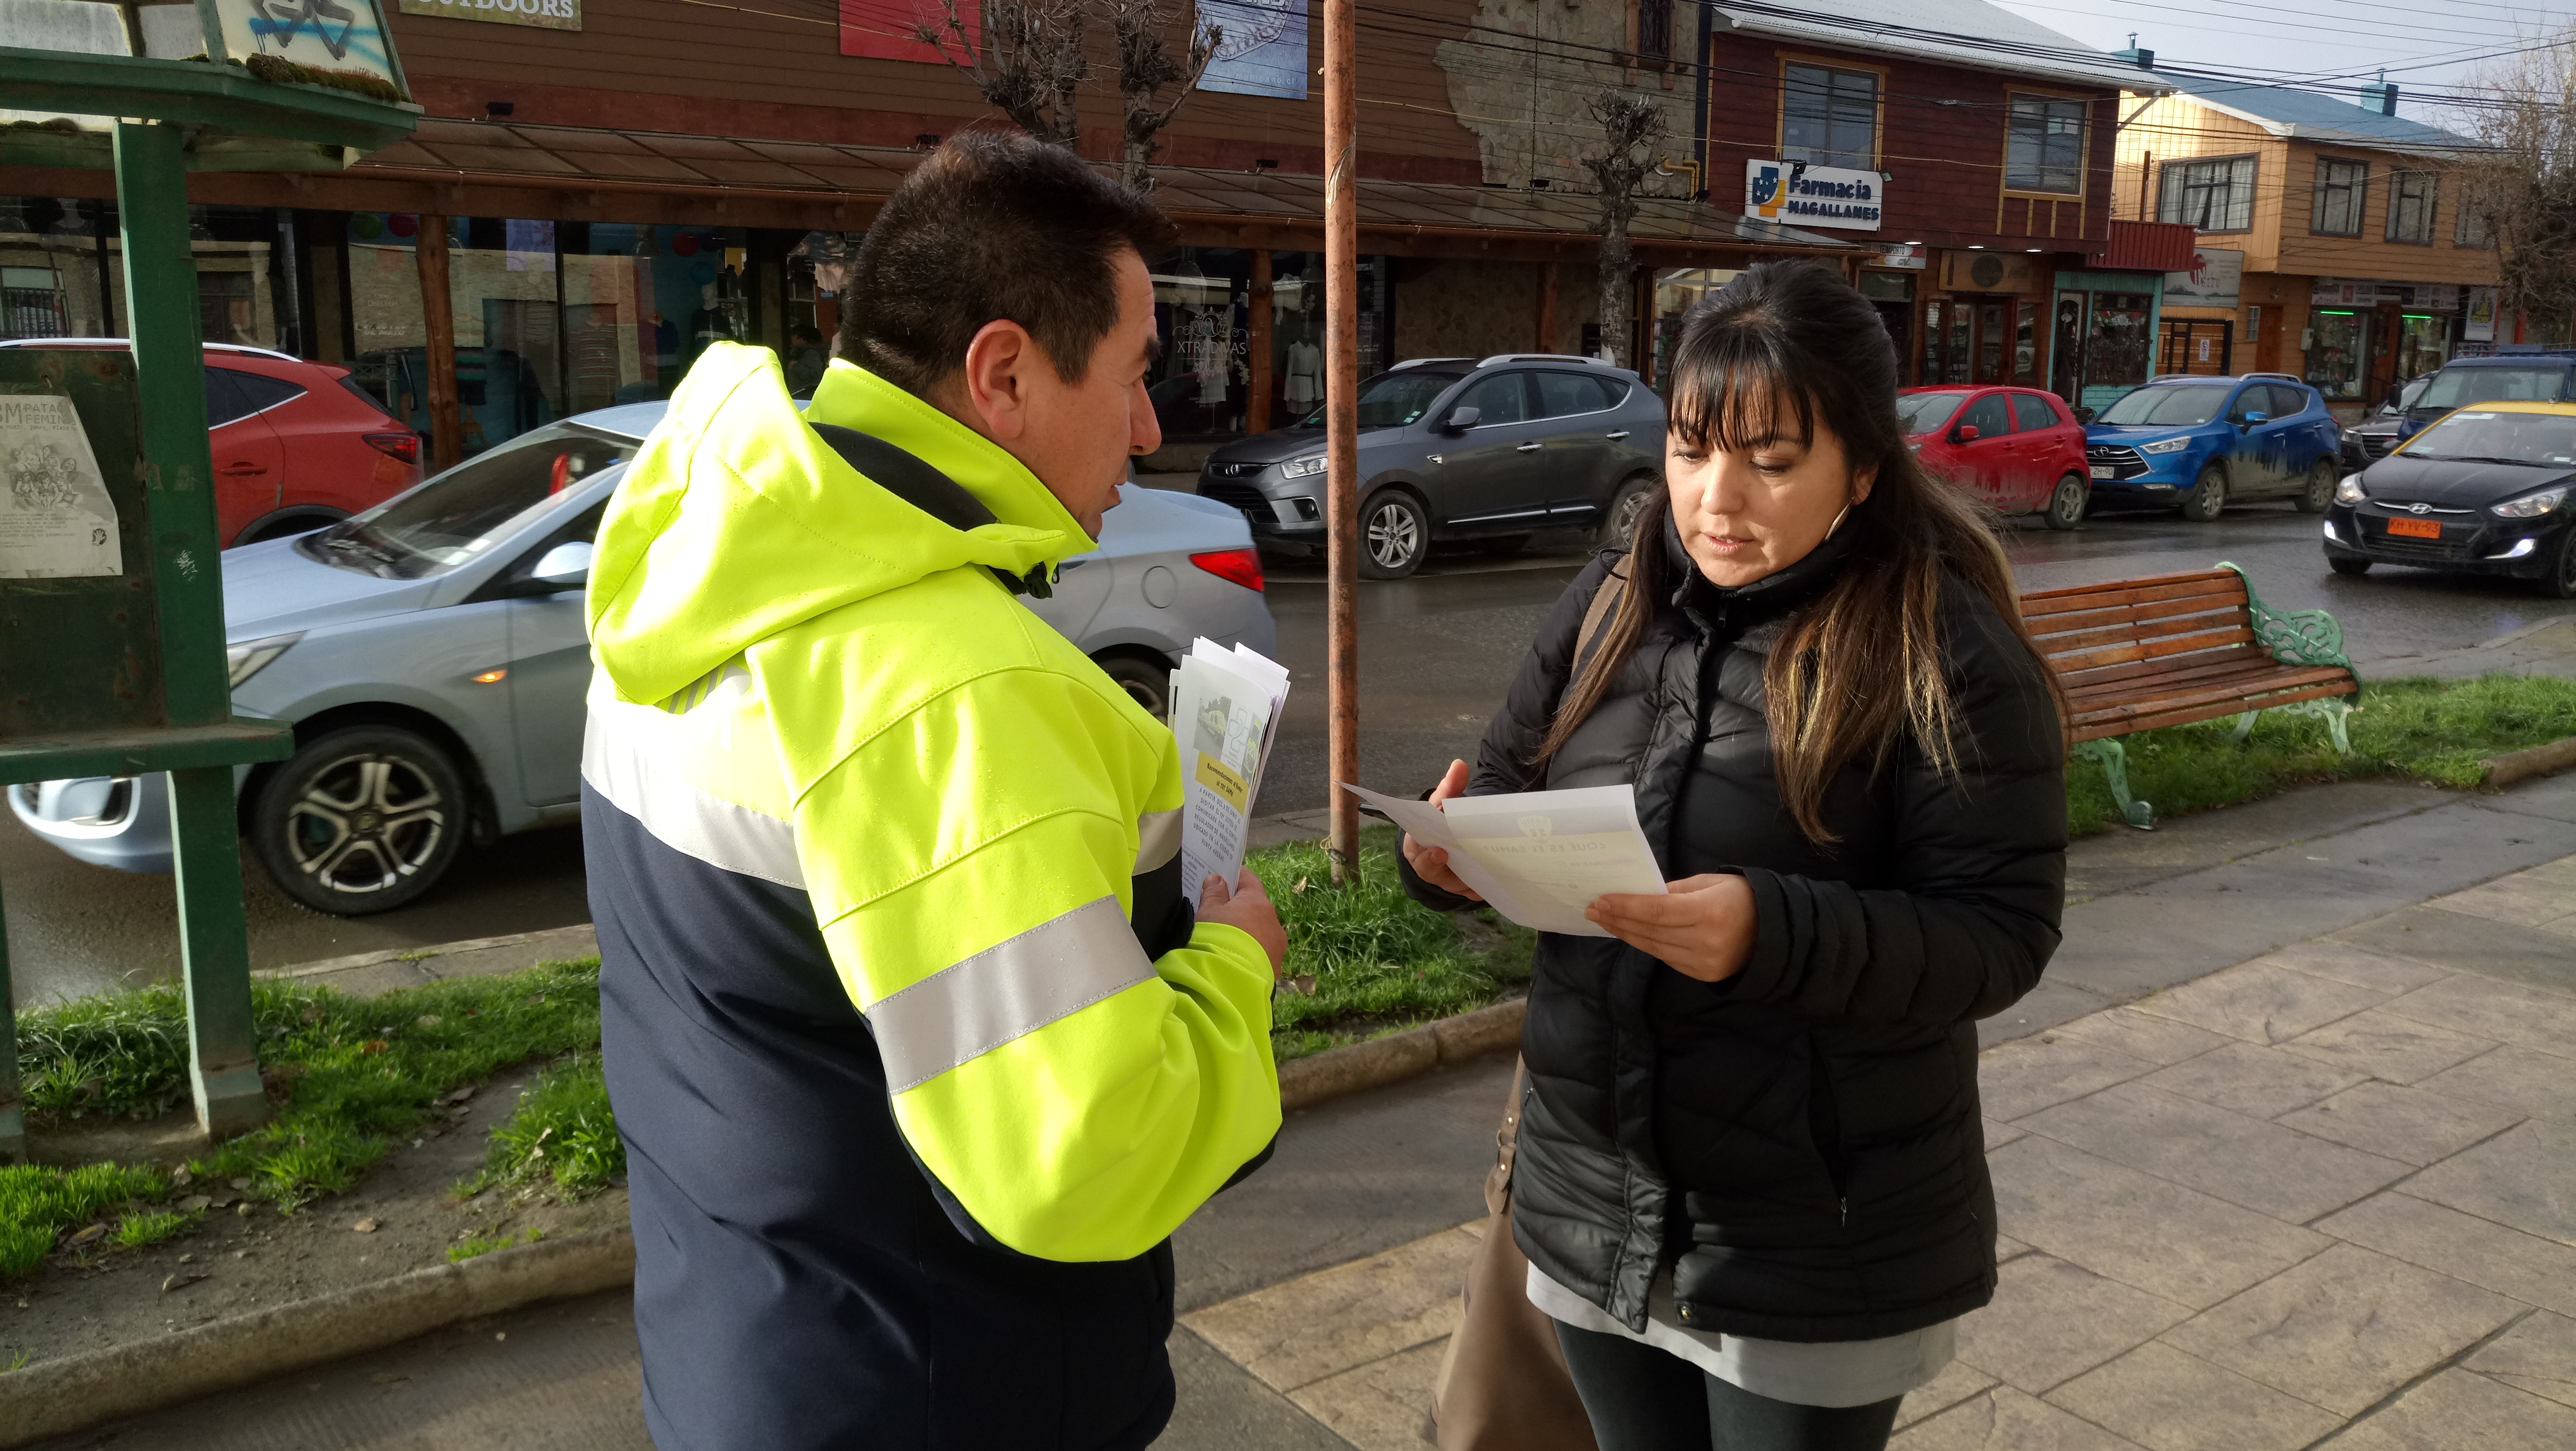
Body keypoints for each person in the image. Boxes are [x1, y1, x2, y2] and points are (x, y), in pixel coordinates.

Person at [582, 133, 1288, 1451]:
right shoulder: (960, 689)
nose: (1149, 426)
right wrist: (1235, 967)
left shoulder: (707, 567)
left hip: (747, 1350)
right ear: (1005, 372)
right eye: (1137, 376)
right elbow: (1086, 1155)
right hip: (946, 1392)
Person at [1401, 262, 2066, 1451]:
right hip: (1592, 1188)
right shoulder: (1614, 596)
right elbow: (1505, 782)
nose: (1715, 499)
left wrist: (1773, 929)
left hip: (1809, 1237)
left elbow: (1999, 932)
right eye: (1691, 448)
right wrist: (1451, 854)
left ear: (1861, 467)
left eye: (1769, 462)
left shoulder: (1938, 647)